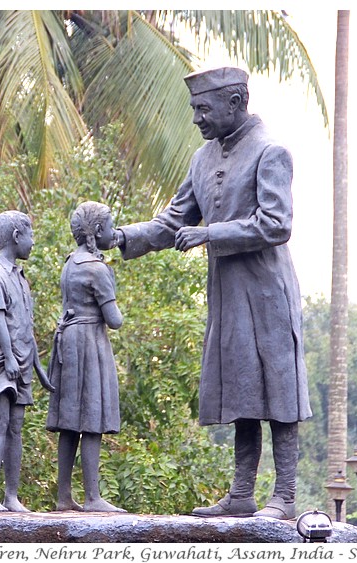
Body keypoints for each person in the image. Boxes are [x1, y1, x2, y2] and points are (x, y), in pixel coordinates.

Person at [113, 67, 311, 520]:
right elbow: (172, 222)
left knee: (278, 391)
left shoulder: (270, 152)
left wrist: (210, 234)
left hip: (267, 291)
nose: (197, 119)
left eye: (204, 109)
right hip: (227, 292)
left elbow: (277, 224)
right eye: (195, 110)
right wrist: (122, 237)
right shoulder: (202, 159)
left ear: (235, 103)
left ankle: (284, 497)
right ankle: (241, 494)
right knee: (243, 388)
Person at [46, 201, 125, 513]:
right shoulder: (96, 269)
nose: (113, 231)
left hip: (69, 342)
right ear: (95, 232)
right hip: (89, 342)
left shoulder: (70, 263)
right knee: (92, 417)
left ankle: (64, 496)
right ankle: (93, 497)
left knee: (70, 420)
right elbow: (114, 319)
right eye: (109, 226)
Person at [0, 210, 55, 512]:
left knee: (16, 428)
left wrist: (37, 368)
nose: (33, 242)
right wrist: (9, 358)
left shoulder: (21, 279)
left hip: (23, 364)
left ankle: (11, 495)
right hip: (2, 363)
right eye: (30, 235)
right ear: (16, 237)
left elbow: (25, 326)